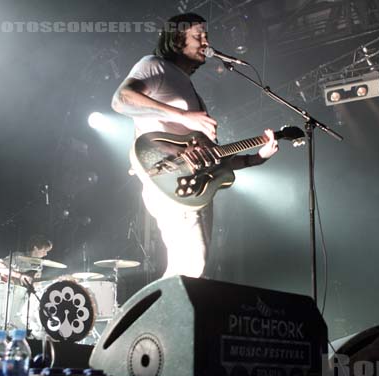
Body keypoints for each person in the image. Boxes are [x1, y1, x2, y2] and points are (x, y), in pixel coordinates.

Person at [112, 13, 278, 278]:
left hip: (194, 186)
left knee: (189, 267)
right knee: (192, 264)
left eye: (207, 36)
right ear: (177, 40)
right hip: (170, 177)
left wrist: (259, 157)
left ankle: (165, 317)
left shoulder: (190, 88)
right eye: (198, 35)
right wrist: (182, 116)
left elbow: (217, 158)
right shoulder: (154, 65)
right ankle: (161, 317)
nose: (206, 41)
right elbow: (121, 99)